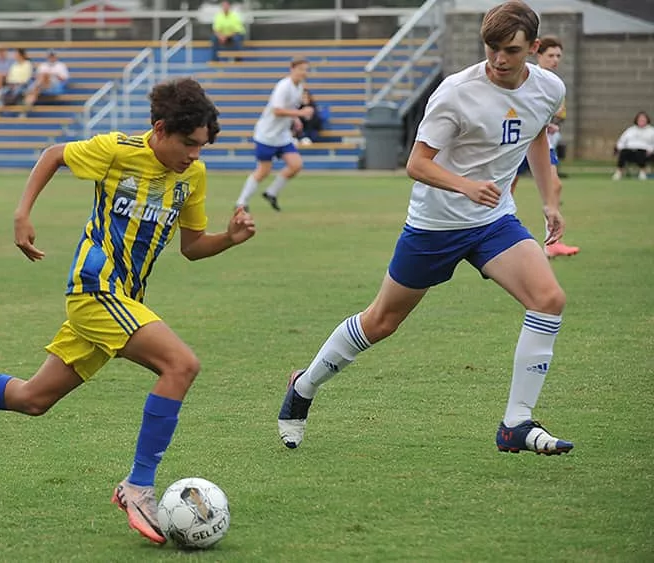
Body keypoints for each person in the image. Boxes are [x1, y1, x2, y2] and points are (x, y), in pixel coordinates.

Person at [0, 78, 256, 545]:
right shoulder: (116, 151)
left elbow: (193, 247)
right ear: (159, 129)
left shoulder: (192, 177)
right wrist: (22, 213)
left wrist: (230, 238)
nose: (195, 155)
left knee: (32, 399)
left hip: (125, 300)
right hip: (95, 288)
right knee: (181, 365)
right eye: (188, 144)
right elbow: (55, 153)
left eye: (202, 146)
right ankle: (138, 486)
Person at [276, 0, 574, 456]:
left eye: (510, 50)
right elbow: (416, 163)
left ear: (533, 48)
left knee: (549, 299)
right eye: (491, 48)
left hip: (494, 221)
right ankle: (304, 386)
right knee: (381, 322)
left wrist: (549, 201)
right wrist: (466, 186)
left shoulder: (550, 88)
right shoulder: (456, 92)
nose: (498, 59)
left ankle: (516, 422)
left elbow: (534, 134)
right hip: (435, 224)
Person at [510, 35, 578, 258]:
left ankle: (552, 241)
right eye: (551, 55)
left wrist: (551, 123)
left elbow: (560, 113)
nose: (555, 59)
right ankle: (488, 232)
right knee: (504, 190)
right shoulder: (527, 78)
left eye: (559, 55)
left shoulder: (554, 84)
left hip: (543, 143)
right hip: (519, 141)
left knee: (555, 186)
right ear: (538, 54)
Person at [235, 58, 312, 212]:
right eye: (301, 69)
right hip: (267, 135)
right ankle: (241, 202)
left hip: (282, 135)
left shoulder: (299, 87)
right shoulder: (283, 86)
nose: (303, 72)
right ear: (292, 69)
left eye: (305, 69)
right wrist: (300, 113)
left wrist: (295, 119)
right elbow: (277, 110)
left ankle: (271, 192)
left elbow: (288, 108)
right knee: (263, 171)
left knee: (296, 165)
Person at [21, 50, 70, 117]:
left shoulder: (61, 65)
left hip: (54, 84)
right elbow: (36, 76)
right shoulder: (43, 65)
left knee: (43, 77)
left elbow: (64, 79)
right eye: (50, 56)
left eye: (52, 56)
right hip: (41, 85)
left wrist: (53, 75)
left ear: (55, 57)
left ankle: (30, 91)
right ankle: (25, 108)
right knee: (37, 86)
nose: (51, 57)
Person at [612, 111, 654, 180]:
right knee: (624, 152)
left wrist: (651, 150)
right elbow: (622, 140)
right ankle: (619, 172)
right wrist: (619, 148)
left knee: (640, 152)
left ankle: (642, 172)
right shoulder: (630, 130)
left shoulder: (651, 131)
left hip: (645, 153)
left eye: (643, 119)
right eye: (640, 119)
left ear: (647, 120)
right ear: (636, 120)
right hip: (630, 152)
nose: (641, 121)